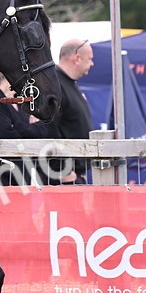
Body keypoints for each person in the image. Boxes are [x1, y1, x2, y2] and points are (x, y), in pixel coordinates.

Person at [46, 38, 94, 184]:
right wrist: (62, 170)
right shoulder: (55, 85)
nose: (92, 63)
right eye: (90, 59)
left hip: (76, 173)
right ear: (77, 58)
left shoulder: (69, 84)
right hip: (63, 178)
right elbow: (49, 129)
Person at [0, 71, 50, 186]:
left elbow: (43, 129)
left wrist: (17, 126)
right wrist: (29, 127)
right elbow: (4, 132)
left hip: (24, 173)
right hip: (5, 175)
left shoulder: (20, 103)